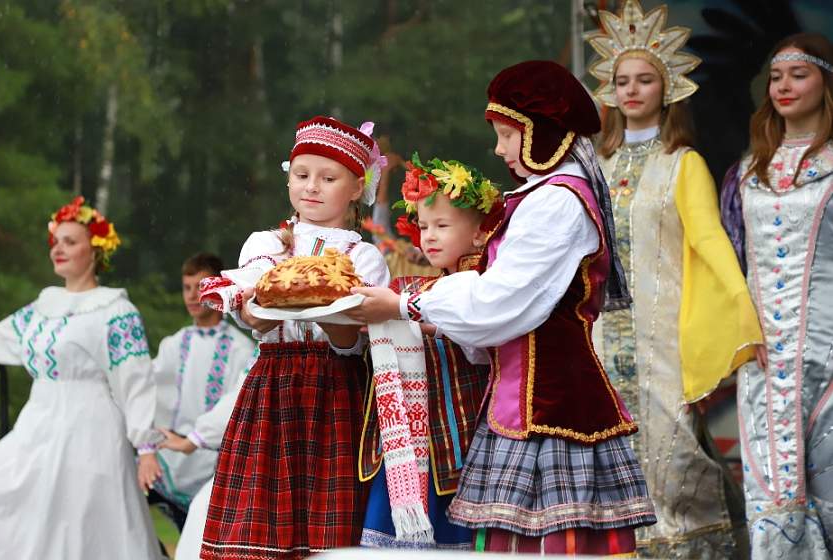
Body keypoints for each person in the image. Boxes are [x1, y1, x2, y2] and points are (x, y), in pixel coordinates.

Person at [348, 61, 656, 555]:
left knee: (554, 546)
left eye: (508, 134)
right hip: (518, 407)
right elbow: (493, 321)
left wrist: (406, 302)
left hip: (555, 414)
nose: (499, 148)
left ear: (544, 130)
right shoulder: (542, 197)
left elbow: (502, 302)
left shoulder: (558, 202)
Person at [584, 1, 763, 556]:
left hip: (664, 331)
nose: (632, 90)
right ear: (609, 91)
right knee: (608, 446)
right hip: (599, 332)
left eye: (645, 79)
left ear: (669, 88)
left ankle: (697, 544)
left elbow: (712, 244)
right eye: (622, 81)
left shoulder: (683, 163)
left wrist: (743, 315)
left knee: (674, 445)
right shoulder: (596, 165)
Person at [0, 196, 164, 560]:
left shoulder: (116, 311)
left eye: (70, 241)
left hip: (90, 430)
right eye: (56, 242)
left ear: (94, 251)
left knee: (79, 526)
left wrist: (146, 447)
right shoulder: (43, 307)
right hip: (39, 425)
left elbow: (135, 378)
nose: (58, 249)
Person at [198, 116, 390, 559]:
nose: (312, 187)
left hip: (334, 387)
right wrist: (258, 305)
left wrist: (325, 307)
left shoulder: (362, 257)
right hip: (274, 383)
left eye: (328, 178)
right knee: (261, 507)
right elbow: (257, 320)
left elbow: (350, 342)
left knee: (328, 512)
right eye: (302, 175)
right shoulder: (266, 245)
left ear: (357, 187)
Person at [720, 32, 833, 559]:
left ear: (825, 82)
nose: (784, 86)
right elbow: (731, 266)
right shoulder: (745, 173)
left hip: (828, 355)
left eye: (799, 74)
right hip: (764, 358)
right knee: (771, 493)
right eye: (777, 76)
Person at [359, 154, 497, 550]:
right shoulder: (421, 284)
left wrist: (411, 312)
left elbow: (480, 338)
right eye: (422, 226)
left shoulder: (484, 284)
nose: (429, 236)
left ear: (479, 232)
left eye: (442, 225)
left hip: (463, 439)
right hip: (413, 443)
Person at [150, 252, 256, 530]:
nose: (191, 296)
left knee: (197, 535)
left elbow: (236, 406)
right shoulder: (173, 344)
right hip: (172, 457)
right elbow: (149, 386)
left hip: (213, 460)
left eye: (200, 287)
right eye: (186, 288)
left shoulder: (239, 348)